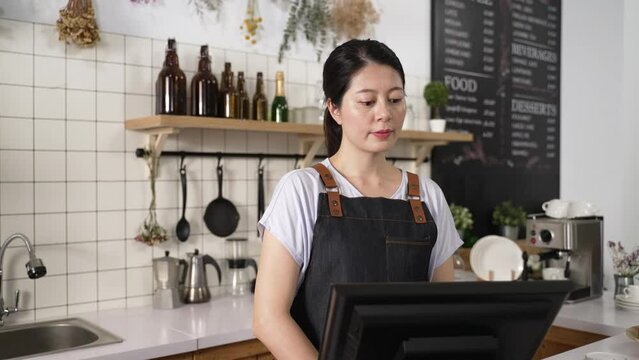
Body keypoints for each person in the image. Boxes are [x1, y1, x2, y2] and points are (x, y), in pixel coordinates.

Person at [253, 39, 462, 359]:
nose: (385, 114)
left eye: (395, 99)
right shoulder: (302, 190)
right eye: (367, 102)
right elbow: (269, 319)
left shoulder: (428, 196)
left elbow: (443, 312)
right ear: (334, 108)